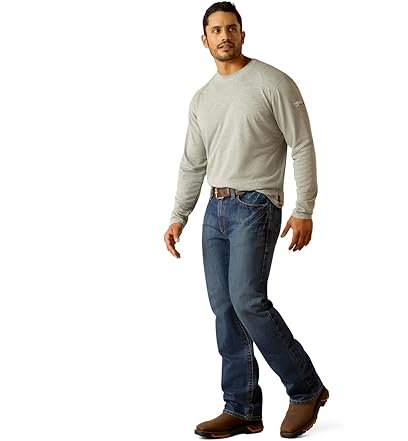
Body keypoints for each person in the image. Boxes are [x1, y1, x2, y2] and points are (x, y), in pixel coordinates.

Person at [163, 2, 328, 438]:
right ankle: (241, 408)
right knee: (224, 308)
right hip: (214, 210)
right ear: (204, 40)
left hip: (256, 205)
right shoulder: (202, 99)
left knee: (248, 301)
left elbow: (302, 144)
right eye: (216, 30)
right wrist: (179, 215)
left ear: (242, 34)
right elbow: (192, 163)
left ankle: (306, 389)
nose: (224, 35)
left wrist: (304, 208)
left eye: (231, 28)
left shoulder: (273, 82)